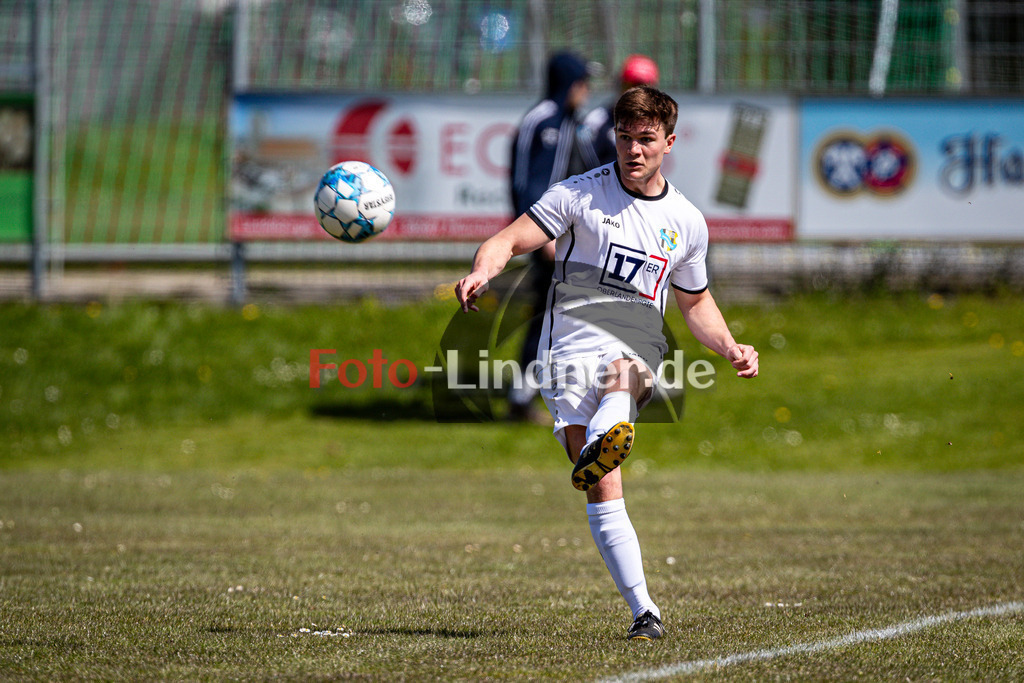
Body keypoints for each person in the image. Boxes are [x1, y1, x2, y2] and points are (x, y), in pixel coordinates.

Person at [456, 86, 758, 641]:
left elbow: (695, 301)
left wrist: (730, 345)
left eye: (646, 140)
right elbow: (509, 238)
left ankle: (610, 424)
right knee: (601, 484)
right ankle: (645, 611)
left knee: (627, 370)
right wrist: (484, 270)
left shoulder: (687, 221)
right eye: (625, 138)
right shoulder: (577, 195)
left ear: (669, 142)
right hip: (566, 352)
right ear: (614, 137)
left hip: (636, 342)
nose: (634, 150)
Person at [507, 51, 600, 422]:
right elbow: (522, 181)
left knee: (563, 314)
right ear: (569, 83)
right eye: (582, 82)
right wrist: (538, 233)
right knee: (546, 316)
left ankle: (551, 394)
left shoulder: (570, 123)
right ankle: (522, 398)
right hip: (544, 237)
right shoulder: (540, 119)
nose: (587, 90)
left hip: (567, 237)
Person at [584, 54, 660, 167]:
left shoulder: (658, 124)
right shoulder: (598, 120)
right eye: (629, 87)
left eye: (642, 89)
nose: (635, 95)